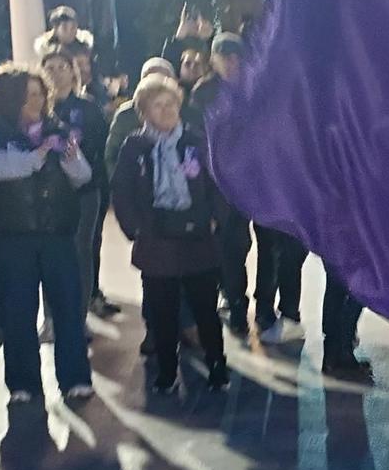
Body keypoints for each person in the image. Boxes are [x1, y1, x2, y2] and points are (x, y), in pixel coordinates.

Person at [0, 65, 94, 405]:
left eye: (40, 93)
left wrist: (71, 157)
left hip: (56, 233)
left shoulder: (55, 127)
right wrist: (34, 158)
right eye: (29, 94)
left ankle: (75, 378)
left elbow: (82, 177)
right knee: (17, 313)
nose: (37, 101)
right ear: (9, 97)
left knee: (67, 308)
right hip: (9, 236)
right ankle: (23, 384)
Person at [111, 76, 230, 394]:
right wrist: (135, 228)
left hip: (196, 236)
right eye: (158, 105)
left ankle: (217, 364)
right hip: (157, 238)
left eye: (171, 104)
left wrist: (216, 218)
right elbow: (121, 191)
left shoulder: (194, 141)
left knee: (205, 308)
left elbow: (217, 182)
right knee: (162, 310)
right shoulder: (135, 146)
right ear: (144, 112)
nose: (166, 111)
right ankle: (166, 369)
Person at [189, 32, 253, 339]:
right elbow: (197, 138)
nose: (229, 62)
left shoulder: (252, 87)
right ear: (212, 60)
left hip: (249, 180)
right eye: (223, 56)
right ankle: (234, 305)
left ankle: (239, 302)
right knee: (226, 245)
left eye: (234, 56)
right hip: (216, 184)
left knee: (240, 245)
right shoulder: (203, 93)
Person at [42, 45, 110, 323]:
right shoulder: (37, 111)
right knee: (48, 253)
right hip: (47, 195)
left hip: (84, 192)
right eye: (50, 68)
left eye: (62, 67)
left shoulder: (88, 108)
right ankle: (50, 317)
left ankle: (79, 317)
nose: (56, 74)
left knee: (80, 251)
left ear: (74, 73)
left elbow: (100, 149)